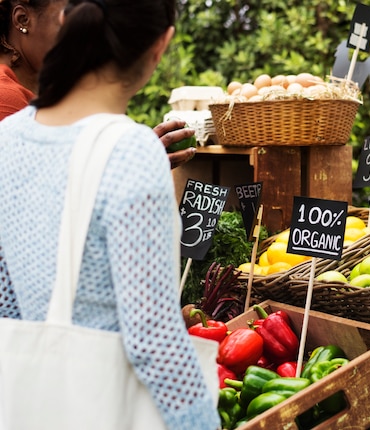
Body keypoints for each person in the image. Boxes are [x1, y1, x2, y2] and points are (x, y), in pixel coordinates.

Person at [0, 0, 219, 428]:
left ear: (68, 22)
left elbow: (6, 293)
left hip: (31, 405)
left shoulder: (8, 137)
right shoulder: (133, 151)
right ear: (161, 44)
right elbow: (152, 338)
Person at [0, 0, 195, 169]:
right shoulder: (6, 98)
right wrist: (137, 165)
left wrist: (137, 159)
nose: (78, 31)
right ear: (22, 20)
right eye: (69, 19)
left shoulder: (43, 97)